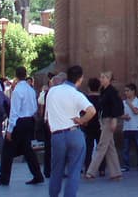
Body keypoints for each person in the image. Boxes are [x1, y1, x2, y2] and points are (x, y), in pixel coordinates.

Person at [45, 65, 97, 197]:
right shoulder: (76, 94)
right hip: (74, 132)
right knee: (74, 171)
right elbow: (92, 110)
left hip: (57, 135)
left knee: (56, 171)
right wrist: (82, 120)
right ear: (80, 79)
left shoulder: (52, 91)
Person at [0, 65, 45, 187]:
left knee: (7, 150)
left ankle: (4, 177)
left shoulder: (17, 90)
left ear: (16, 76)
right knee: (27, 149)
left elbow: (14, 111)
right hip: (30, 121)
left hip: (19, 122)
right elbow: (35, 107)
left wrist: (10, 129)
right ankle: (37, 175)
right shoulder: (31, 89)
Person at [85, 70, 123, 180]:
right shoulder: (104, 91)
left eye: (104, 77)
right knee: (110, 147)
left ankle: (91, 172)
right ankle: (116, 173)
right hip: (104, 119)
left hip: (109, 120)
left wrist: (114, 120)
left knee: (101, 145)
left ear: (109, 79)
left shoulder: (112, 91)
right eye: (101, 77)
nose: (101, 79)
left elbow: (117, 106)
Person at [120, 82, 138, 172]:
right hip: (126, 128)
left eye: (127, 91)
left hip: (136, 128)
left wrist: (130, 104)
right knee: (125, 149)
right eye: (125, 91)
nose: (126, 93)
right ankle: (126, 166)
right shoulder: (123, 102)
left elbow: (136, 111)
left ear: (133, 91)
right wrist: (124, 117)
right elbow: (120, 114)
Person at [79, 77, 102, 176]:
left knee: (89, 147)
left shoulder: (86, 99)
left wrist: (83, 121)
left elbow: (83, 111)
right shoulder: (102, 98)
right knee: (101, 148)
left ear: (88, 88)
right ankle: (102, 168)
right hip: (100, 124)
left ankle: (88, 167)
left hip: (89, 124)